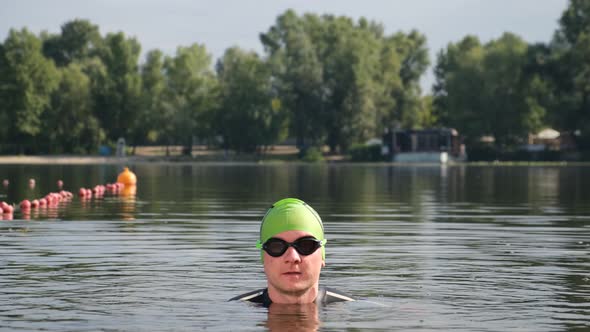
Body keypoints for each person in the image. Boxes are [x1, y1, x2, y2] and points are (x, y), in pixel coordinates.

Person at [230, 198, 355, 306]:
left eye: (306, 245)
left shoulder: (352, 309)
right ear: (263, 257)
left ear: (322, 256)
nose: (292, 257)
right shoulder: (233, 313)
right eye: (277, 247)